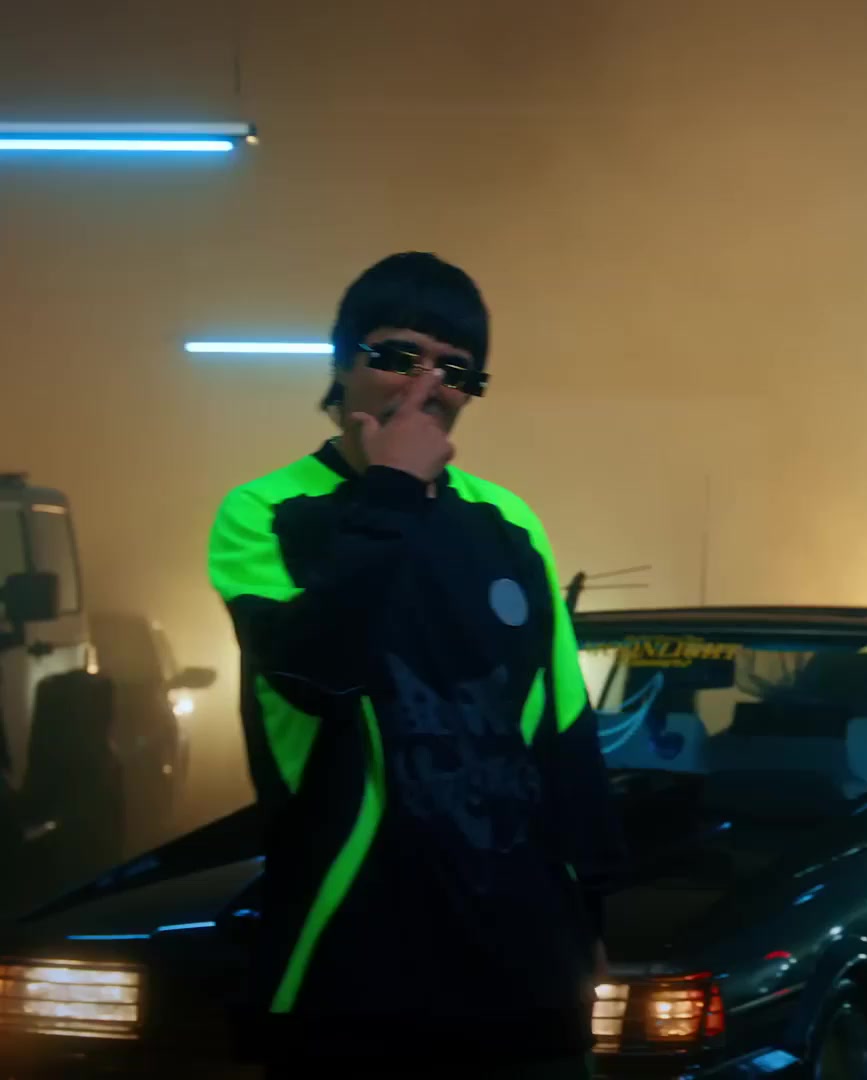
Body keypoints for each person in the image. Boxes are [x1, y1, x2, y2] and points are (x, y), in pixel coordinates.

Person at [207, 252, 623, 1079]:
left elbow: (562, 734)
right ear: (341, 363)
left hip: (525, 968)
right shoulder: (266, 511)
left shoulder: (509, 522)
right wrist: (392, 487)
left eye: (456, 371)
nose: (426, 386)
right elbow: (315, 670)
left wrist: (589, 915)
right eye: (398, 356)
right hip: (352, 968)